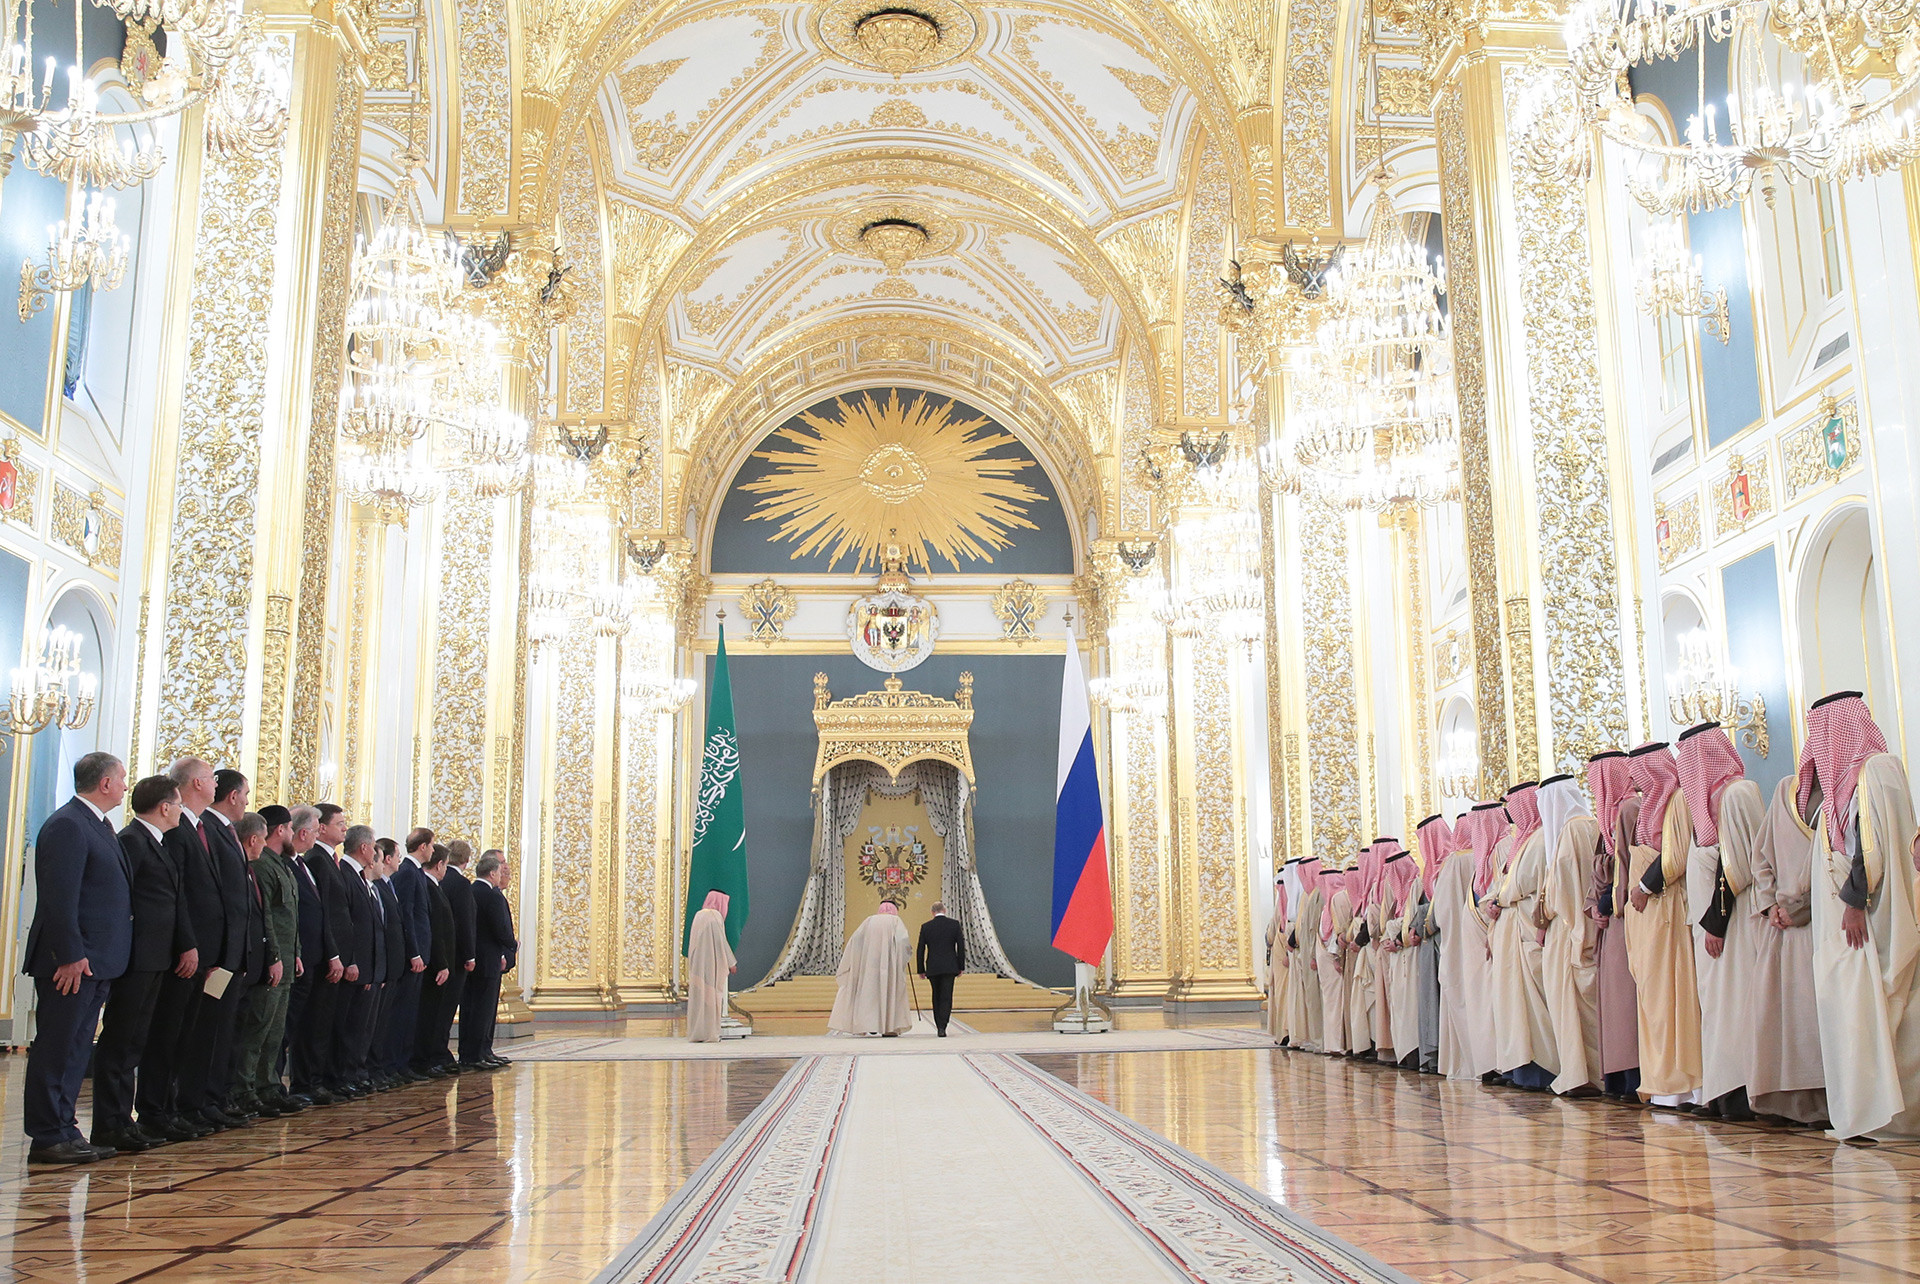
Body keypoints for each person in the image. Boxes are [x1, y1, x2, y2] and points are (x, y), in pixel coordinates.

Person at [1797, 691, 1920, 1139]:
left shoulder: (1877, 771)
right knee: (1852, 1012)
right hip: (1851, 917)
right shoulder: (1846, 783)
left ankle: (1890, 1118)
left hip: (1873, 914)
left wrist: (1853, 903)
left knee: (1885, 1007)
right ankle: (1863, 1111)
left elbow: (1873, 847)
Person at [23, 752, 132, 1165]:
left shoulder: (97, 825)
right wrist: (69, 955)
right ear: (104, 784)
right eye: (121, 778)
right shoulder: (69, 824)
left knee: (75, 1048)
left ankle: (65, 1128)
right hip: (72, 961)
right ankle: (48, 1134)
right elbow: (59, 898)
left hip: (96, 959)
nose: (125, 785)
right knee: (58, 1047)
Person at [92, 774, 186, 1155]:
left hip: (155, 956)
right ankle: (109, 1124)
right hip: (136, 957)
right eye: (178, 804)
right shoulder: (132, 840)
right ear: (164, 807)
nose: (180, 811)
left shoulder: (156, 841)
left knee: (135, 1042)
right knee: (120, 1041)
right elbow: (122, 902)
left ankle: (122, 1121)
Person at [1679, 722, 1765, 1121]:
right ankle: (1720, 1094)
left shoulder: (1735, 794)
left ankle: (1742, 1095)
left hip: (1735, 926)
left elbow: (1738, 865)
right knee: (1717, 1008)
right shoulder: (1711, 801)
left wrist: (1716, 921)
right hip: (1712, 928)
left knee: (1736, 1006)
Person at [1747, 773, 1829, 1125]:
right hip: (1781, 930)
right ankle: (1788, 1103)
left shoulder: (1847, 790)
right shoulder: (1786, 790)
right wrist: (1770, 905)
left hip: (1820, 924)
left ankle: (1825, 1105)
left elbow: (1835, 864)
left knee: (1815, 1020)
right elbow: (1760, 857)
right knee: (1782, 1020)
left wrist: (1801, 908)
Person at [1625, 742, 1703, 1109]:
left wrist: (1643, 887)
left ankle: (1685, 1084)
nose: (1635, 780)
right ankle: (1662, 1082)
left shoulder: (1677, 801)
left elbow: (1676, 856)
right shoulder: (1649, 809)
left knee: (1675, 994)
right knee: (1654, 997)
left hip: (1667, 908)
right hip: (1649, 917)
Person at [1537, 773, 1602, 1096]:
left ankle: (1583, 1074)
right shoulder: (1582, 826)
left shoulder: (1574, 830)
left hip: (1571, 929)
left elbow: (1566, 889)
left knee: (1576, 1008)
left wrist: (1547, 907)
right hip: (1573, 926)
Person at [233, 807, 298, 1119]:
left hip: (285, 961)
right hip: (272, 962)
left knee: (274, 1032)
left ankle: (268, 1086)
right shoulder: (263, 866)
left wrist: (294, 953)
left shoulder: (282, 865)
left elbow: (290, 918)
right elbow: (266, 918)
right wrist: (274, 956)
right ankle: (245, 1089)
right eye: (289, 828)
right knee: (257, 1029)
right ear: (280, 830)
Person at [1585, 751, 1642, 1101]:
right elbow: (1598, 872)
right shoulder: (1604, 820)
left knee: (1626, 1002)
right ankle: (1618, 1079)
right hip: (1609, 921)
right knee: (1614, 1004)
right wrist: (1593, 907)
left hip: (1626, 917)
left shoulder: (1631, 810)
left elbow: (1628, 864)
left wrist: (1610, 903)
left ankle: (1633, 1078)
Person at [1433, 804, 1499, 1080]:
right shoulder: (1482, 857)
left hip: (1459, 944)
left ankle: (1474, 1063)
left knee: (1466, 1000)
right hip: (1482, 938)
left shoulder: (1455, 862)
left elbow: (1442, 913)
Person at [300, 804, 357, 1100]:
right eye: (340, 823)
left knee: (331, 1023)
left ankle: (325, 1078)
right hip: (325, 956)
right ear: (321, 827)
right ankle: (310, 1081)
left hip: (338, 955)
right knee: (317, 1024)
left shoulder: (329, 859)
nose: (344, 829)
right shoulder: (317, 860)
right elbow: (323, 914)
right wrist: (334, 954)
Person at [463, 849, 518, 1068]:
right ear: (492, 873)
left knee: (473, 1007)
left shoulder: (471, 890)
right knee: (483, 1009)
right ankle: (479, 1052)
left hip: (476, 957)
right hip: (489, 959)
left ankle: (478, 1051)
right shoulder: (491, 895)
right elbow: (501, 928)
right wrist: (512, 946)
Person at [387, 829, 434, 1080]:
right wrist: (414, 952)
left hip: (420, 954)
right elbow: (405, 915)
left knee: (410, 1013)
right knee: (402, 1013)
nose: (433, 851)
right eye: (432, 846)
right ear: (423, 846)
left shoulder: (415, 872)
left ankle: (404, 1063)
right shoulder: (407, 873)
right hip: (412, 956)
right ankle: (396, 1063)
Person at [829, 900, 912, 1036]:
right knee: (889, 993)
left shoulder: (869, 921)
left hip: (869, 966)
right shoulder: (896, 921)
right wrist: (907, 954)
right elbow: (903, 942)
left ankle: (869, 1025)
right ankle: (889, 1028)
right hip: (890, 967)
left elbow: (856, 940)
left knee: (869, 994)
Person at [412, 844, 456, 1075]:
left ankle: (429, 1058)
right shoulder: (428, 886)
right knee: (428, 1014)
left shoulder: (434, 886)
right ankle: (423, 1060)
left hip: (439, 962)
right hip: (434, 965)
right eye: (445, 865)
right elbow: (435, 930)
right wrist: (442, 963)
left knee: (434, 1014)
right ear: (439, 864)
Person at [686, 890, 736, 1043]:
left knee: (698, 997)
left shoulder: (699, 915)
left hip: (697, 964)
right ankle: (709, 1033)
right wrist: (731, 962)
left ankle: (696, 1032)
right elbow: (721, 941)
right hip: (710, 963)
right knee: (711, 998)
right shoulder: (715, 916)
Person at [916, 900, 966, 1037]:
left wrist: (920, 969)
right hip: (950, 966)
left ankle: (938, 1024)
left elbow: (920, 949)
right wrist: (961, 966)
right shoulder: (954, 925)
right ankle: (943, 1025)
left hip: (933, 966)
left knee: (936, 995)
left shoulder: (926, 927)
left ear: (932, 912)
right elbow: (961, 947)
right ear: (944, 910)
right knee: (946, 996)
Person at [1264, 878, 1289, 1044]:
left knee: (1286, 995)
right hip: (1281, 956)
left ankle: (1288, 1033)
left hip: (1286, 956)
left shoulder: (1290, 905)